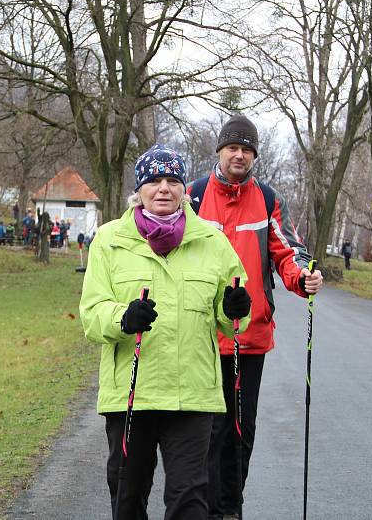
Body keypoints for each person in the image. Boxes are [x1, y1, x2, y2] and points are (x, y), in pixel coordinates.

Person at [79, 144, 252, 520]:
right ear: (138, 189)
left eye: (173, 180)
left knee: (190, 500)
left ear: (184, 189)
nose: (163, 189)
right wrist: (123, 318)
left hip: (192, 394)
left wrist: (234, 308)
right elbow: (92, 314)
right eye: (154, 180)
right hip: (131, 394)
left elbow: (232, 314)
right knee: (127, 498)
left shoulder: (213, 242)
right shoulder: (109, 241)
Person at [186, 114, 323, 520]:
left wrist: (303, 277)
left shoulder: (266, 199)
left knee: (241, 431)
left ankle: (232, 508)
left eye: (247, 149)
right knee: (208, 432)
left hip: (250, 337)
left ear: (254, 155)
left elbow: (285, 250)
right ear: (220, 151)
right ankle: (207, 510)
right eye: (233, 147)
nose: (240, 155)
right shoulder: (193, 196)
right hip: (203, 335)